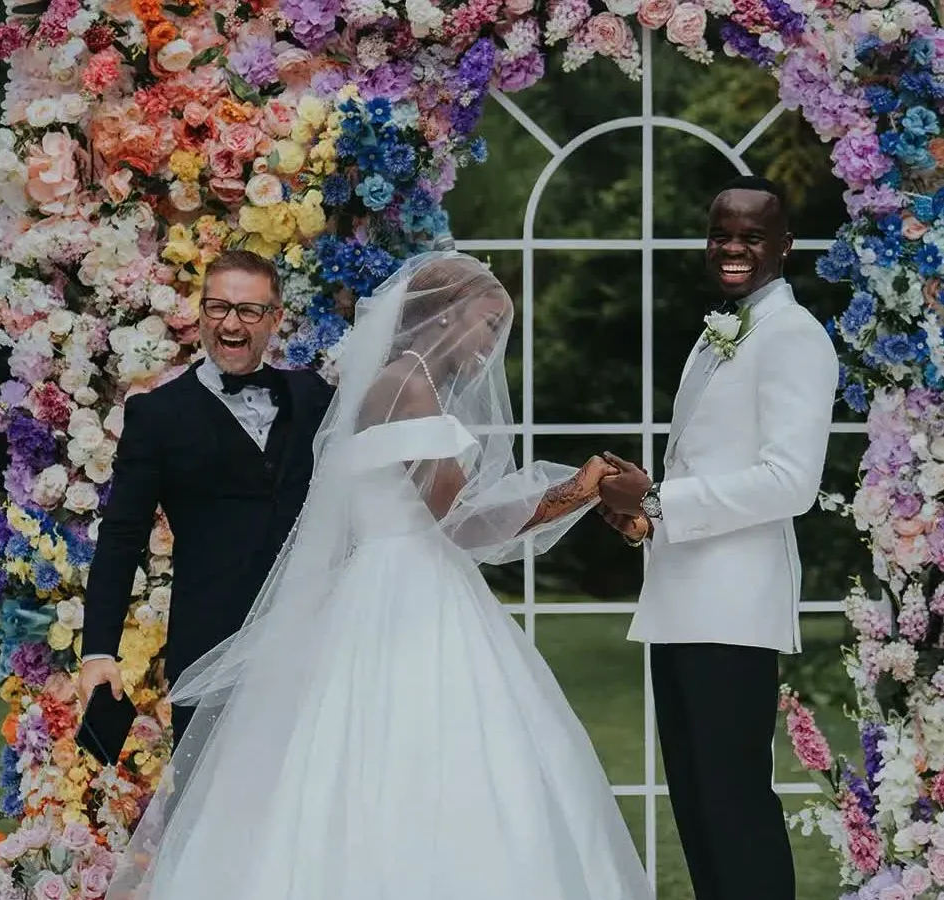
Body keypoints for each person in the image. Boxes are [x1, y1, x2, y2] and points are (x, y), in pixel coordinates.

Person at [105, 252, 653, 900]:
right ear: (442, 317)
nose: (487, 349)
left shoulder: (395, 384)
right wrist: (578, 490)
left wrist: (574, 492)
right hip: (407, 598)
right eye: (484, 327)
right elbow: (461, 522)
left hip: (403, 586)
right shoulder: (408, 386)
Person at [597, 175, 839, 900]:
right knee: (699, 808)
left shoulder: (793, 336)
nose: (731, 248)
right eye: (720, 234)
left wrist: (663, 499)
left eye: (750, 236)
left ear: (783, 247)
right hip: (683, 604)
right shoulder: (726, 330)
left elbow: (790, 482)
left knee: (733, 807)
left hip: (732, 611)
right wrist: (643, 509)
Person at [79, 250, 335, 745]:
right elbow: (122, 536)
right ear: (201, 314)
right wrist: (98, 653)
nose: (230, 323)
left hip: (312, 645)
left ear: (274, 319)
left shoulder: (312, 397)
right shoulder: (156, 416)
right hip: (210, 655)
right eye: (217, 307)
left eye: (248, 310)